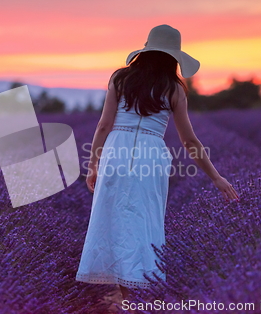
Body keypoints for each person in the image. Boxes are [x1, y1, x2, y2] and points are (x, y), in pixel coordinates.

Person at [75, 25, 240, 308]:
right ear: (174, 57)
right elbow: (190, 140)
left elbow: (104, 125)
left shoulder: (120, 78)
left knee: (112, 218)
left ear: (146, 50)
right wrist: (216, 177)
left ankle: (124, 295)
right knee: (143, 219)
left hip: (116, 150)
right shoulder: (174, 88)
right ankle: (133, 296)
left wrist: (93, 165)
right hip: (151, 154)